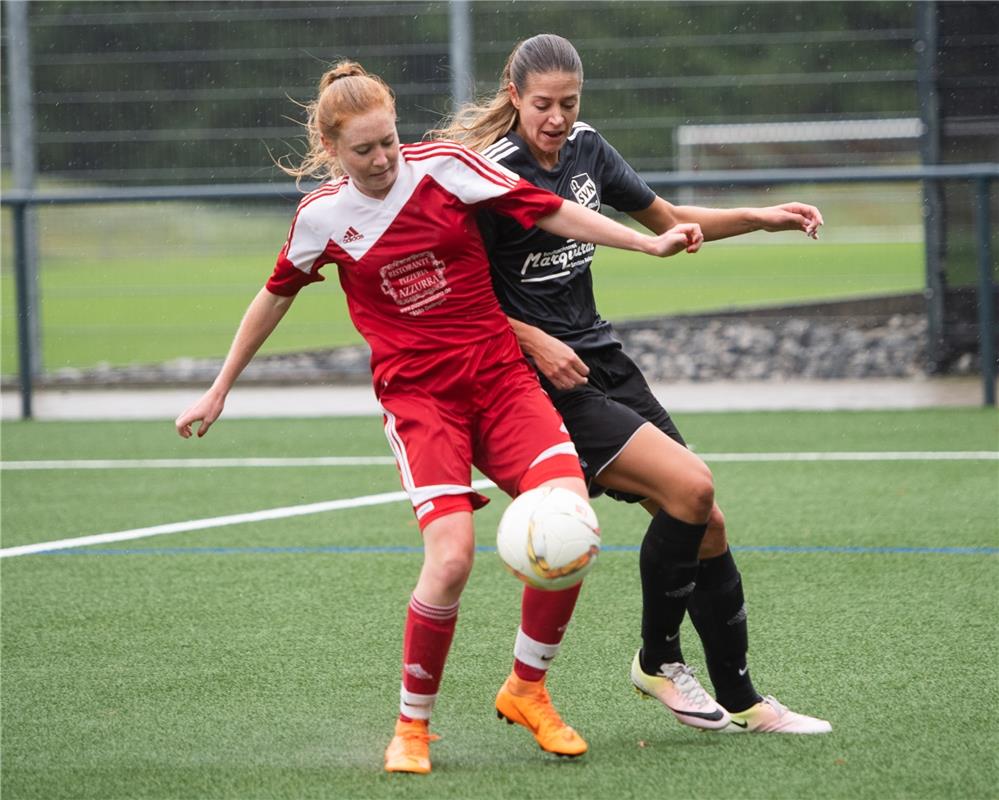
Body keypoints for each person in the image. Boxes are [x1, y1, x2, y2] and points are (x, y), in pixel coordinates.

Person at [175, 61, 705, 774]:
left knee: (571, 529)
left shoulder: (445, 168)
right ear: (333, 151)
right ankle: (412, 727)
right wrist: (219, 387)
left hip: (501, 383)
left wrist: (643, 242)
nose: (383, 158)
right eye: (363, 150)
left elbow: (544, 208)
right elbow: (274, 297)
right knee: (451, 558)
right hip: (423, 404)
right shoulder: (322, 218)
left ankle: (527, 689)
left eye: (389, 141)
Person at [433, 33, 832, 734]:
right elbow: (460, 300)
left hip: (602, 357)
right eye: (542, 105)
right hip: (541, 381)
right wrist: (534, 339)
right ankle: (656, 662)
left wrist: (760, 218)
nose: (555, 118)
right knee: (691, 488)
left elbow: (666, 220)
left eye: (568, 103)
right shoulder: (490, 177)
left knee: (704, 520)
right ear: (512, 94)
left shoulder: (586, 148)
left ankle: (742, 701)